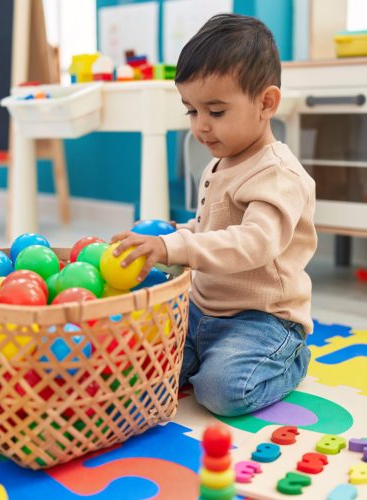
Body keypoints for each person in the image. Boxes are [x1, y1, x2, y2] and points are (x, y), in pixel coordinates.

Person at [111, 13, 316, 417]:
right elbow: (212, 228)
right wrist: (173, 233)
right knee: (144, 368)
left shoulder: (277, 174)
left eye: (216, 112)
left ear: (266, 103)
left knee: (223, 392)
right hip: (201, 309)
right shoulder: (221, 160)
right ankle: (207, 357)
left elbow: (253, 242)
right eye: (191, 111)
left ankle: (290, 359)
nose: (201, 127)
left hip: (262, 320)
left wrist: (174, 246)